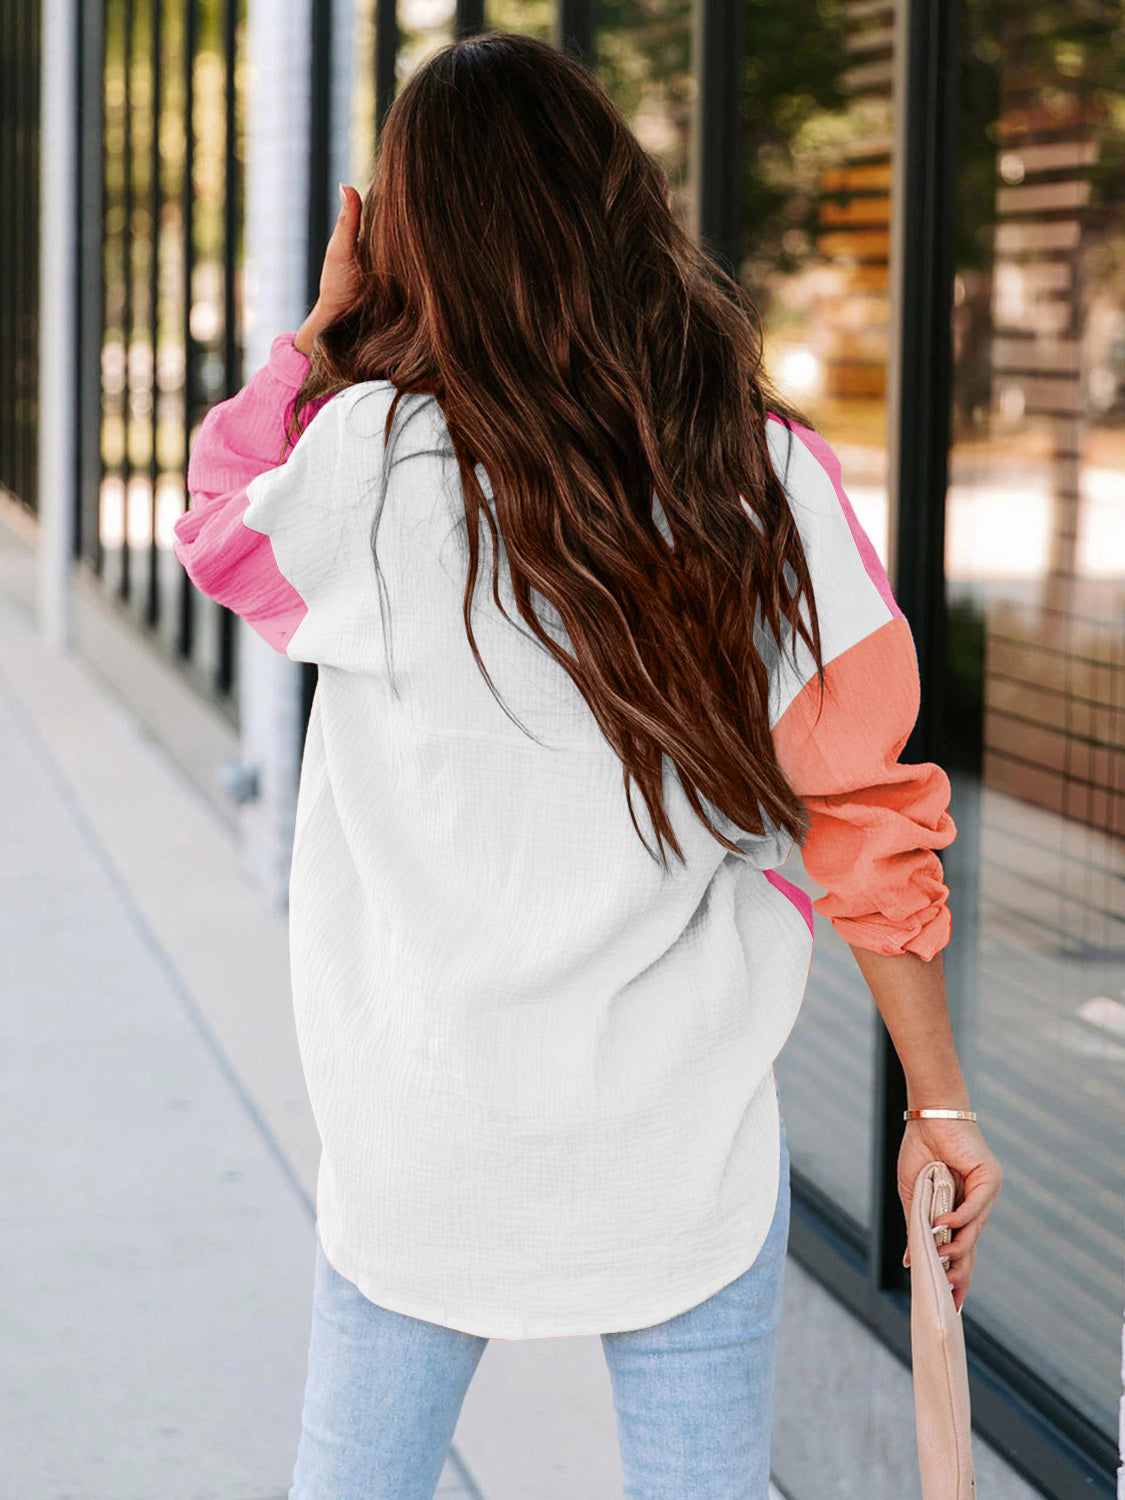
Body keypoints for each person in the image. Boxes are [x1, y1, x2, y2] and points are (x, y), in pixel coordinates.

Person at [173, 30, 1003, 1500]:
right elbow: (866, 828)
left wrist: (316, 339)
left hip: (423, 1137)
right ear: (618, 204)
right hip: (676, 1146)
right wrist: (935, 1110)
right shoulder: (761, 479)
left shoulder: (369, 465)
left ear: (409, 239)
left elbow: (219, 523)